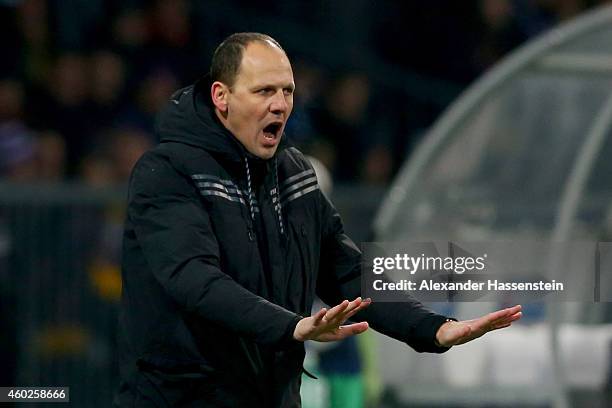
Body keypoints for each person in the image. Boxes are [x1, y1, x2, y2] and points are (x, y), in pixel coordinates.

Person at [114, 32, 522, 407]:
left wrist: (431, 328)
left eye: (287, 91)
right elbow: (193, 279)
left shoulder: (294, 173)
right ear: (222, 96)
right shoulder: (168, 172)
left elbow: (346, 271)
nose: (280, 104)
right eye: (264, 91)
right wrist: (291, 326)